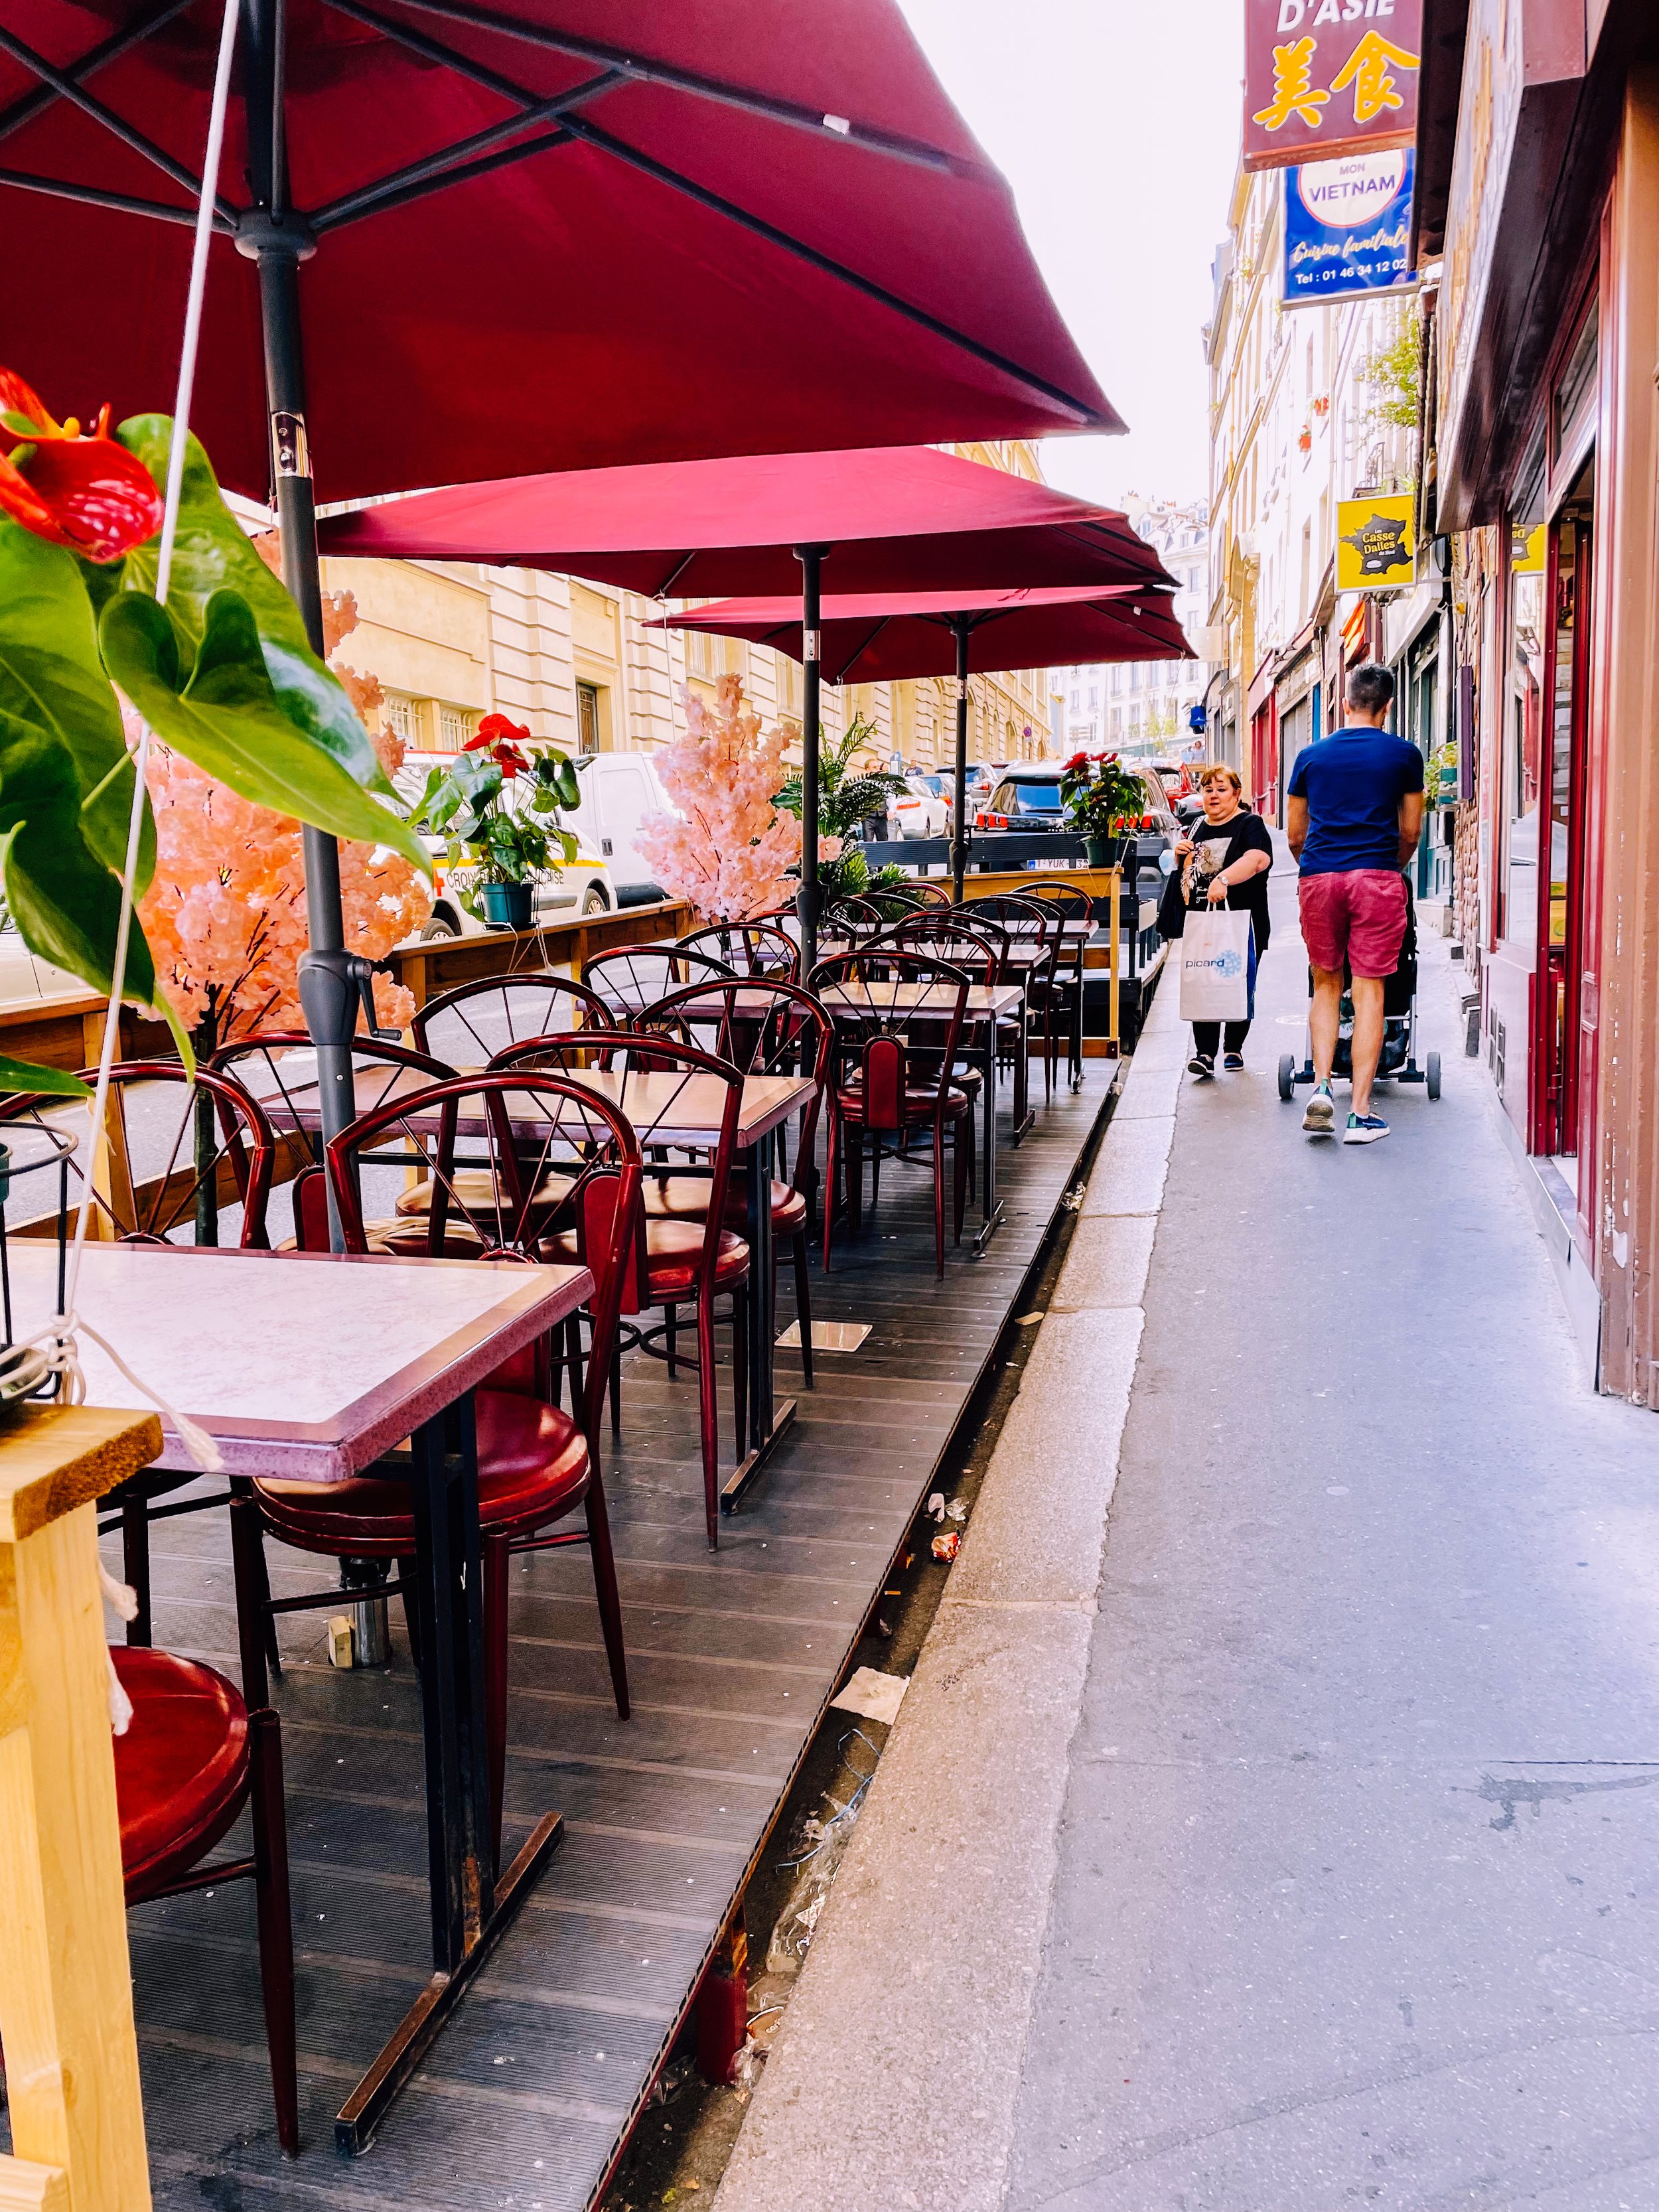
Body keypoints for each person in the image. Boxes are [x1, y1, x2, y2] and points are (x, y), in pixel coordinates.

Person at [1285, 664, 1425, 1145]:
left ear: (1344, 704)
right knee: (1370, 993)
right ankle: (1360, 1113)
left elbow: (1295, 834)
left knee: (1326, 985)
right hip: (1377, 877)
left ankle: (1323, 1086)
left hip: (1319, 876)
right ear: (1387, 707)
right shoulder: (1405, 755)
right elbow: (1410, 831)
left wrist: (1317, 868)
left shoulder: (1309, 756)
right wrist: (1391, 866)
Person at [1171, 762, 1275, 1078]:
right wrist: (1179, 854)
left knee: (1237, 980)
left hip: (1240, 921)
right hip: (1202, 921)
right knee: (1202, 981)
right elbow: (1186, 873)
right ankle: (1204, 1053)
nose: (1213, 796)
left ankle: (1233, 1047)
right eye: (1208, 789)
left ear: (1236, 794)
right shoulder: (1197, 826)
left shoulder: (1250, 824)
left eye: (1221, 789)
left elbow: (1258, 859)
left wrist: (1225, 880)